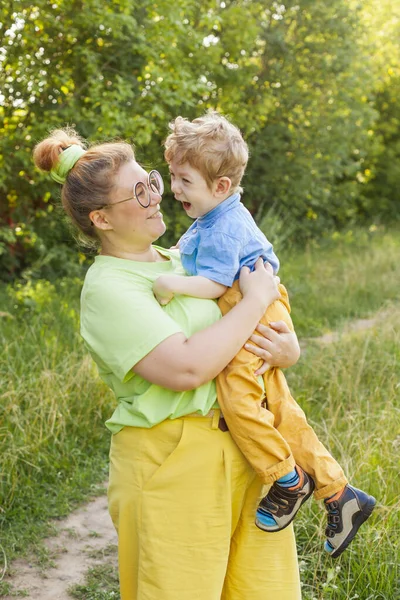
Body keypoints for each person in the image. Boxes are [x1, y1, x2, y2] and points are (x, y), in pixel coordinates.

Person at [33, 128, 304, 600]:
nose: (158, 196)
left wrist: (288, 350)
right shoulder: (108, 287)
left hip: (247, 452)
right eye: (138, 192)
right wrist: (253, 301)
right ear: (101, 218)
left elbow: (257, 318)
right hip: (171, 464)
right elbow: (186, 369)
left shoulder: (182, 259)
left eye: (152, 181)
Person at [152, 111, 376, 559]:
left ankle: (287, 480)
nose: (175, 189)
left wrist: (171, 283)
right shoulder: (213, 216)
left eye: (184, 180)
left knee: (239, 401)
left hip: (251, 306)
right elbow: (194, 254)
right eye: (173, 177)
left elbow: (216, 284)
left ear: (220, 186)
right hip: (256, 304)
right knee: (277, 409)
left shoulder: (225, 224)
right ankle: (339, 494)